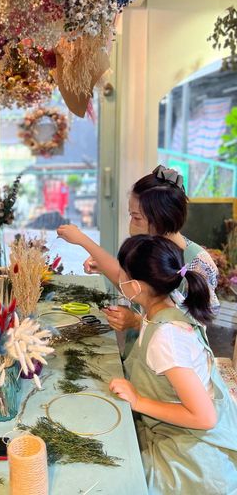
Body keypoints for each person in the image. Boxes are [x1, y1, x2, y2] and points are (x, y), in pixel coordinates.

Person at [108, 235, 237, 494]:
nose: (119, 280)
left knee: (118, 476)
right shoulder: (168, 304)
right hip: (185, 429)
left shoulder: (166, 338)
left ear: (136, 286)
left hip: (196, 453)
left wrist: (138, 402)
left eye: (123, 274)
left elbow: (204, 417)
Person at [57, 166, 219, 334]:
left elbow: (188, 333)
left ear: (161, 218)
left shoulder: (199, 264)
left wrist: (135, 322)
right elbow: (134, 289)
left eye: (136, 217)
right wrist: (104, 267)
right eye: (130, 215)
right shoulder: (150, 249)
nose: (131, 226)